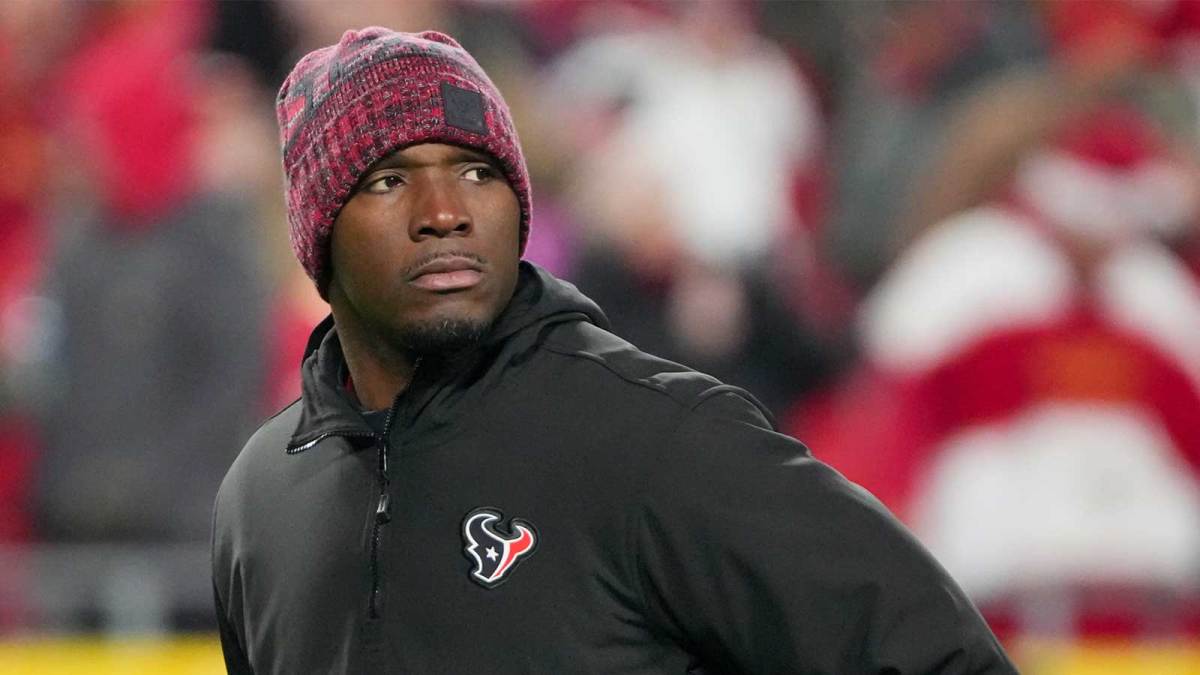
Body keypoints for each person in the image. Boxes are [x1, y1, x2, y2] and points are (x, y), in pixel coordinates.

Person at [211, 28, 1015, 674]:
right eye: (389, 180)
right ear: (317, 231)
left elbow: (937, 654)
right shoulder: (261, 496)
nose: (446, 211)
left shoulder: (658, 439)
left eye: (479, 172)